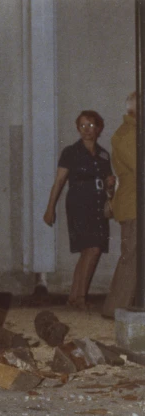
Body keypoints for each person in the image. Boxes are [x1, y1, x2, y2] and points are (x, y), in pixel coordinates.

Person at [43, 110, 114, 310]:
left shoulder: (103, 154)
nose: (86, 130)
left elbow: (108, 185)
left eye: (91, 125)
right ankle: (81, 298)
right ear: (77, 128)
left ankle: (73, 298)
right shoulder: (70, 152)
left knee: (89, 251)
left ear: (98, 128)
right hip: (78, 204)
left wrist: (110, 183)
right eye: (82, 126)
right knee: (92, 249)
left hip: (98, 205)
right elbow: (59, 181)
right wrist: (50, 209)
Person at [102, 92, 137, 318]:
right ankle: (115, 310)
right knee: (131, 257)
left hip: (136, 202)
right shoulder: (126, 135)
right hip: (134, 204)